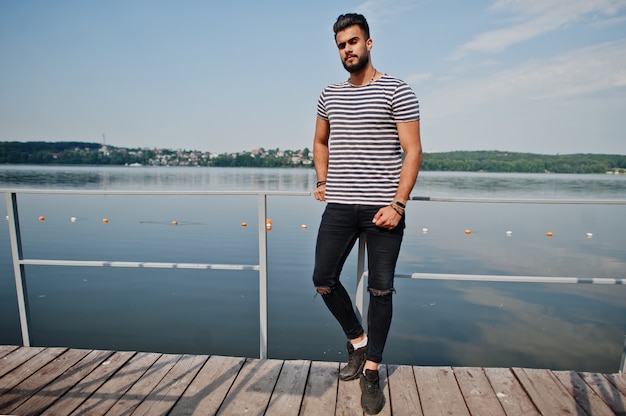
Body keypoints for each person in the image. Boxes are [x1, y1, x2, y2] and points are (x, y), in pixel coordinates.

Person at [311, 13, 422, 415]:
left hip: (383, 211)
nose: (347, 50)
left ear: (369, 43)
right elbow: (320, 141)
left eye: (353, 42)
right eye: (341, 45)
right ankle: (358, 342)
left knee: (380, 290)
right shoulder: (329, 94)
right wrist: (323, 179)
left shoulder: (397, 90)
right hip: (339, 205)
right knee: (323, 278)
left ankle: (372, 370)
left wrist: (398, 204)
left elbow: (413, 151)